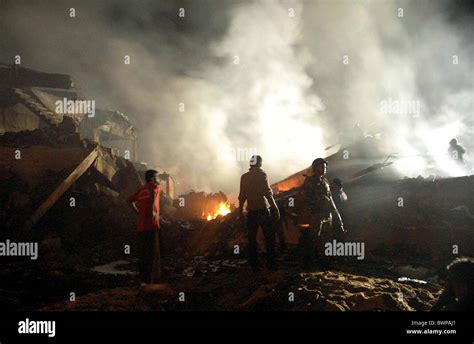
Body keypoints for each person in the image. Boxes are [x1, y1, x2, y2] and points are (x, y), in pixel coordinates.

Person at [298, 158, 344, 268]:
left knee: (326, 239)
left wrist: (336, 214)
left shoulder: (326, 182)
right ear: (315, 167)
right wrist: (315, 206)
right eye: (322, 167)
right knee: (314, 238)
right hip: (316, 214)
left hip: (327, 215)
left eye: (325, 167)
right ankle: (309, 262)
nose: (324, 169)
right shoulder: (310, 182)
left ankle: (324, 261)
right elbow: (305, 198)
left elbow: (330, 198)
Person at [238, 155, 280, 271]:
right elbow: (267, 193)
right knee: (269, 238)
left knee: (252, 239)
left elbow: (242, 196)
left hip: (251, 212)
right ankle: (271, 264)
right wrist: (275, 207)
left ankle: (255, 266)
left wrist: (240, 212)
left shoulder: (244, 177)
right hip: (263, 210)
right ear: (260, 163)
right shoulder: (262, 174)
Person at [128, 169, 162, 285]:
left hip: (141, 228)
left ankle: (143, 280)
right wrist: (152, 211)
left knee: (143, 254)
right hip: (152, 225)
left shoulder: (142, 190)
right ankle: (152, 281)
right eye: (157, 177)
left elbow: (129, 201)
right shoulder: (155, 188)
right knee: (153, 254)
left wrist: (138, 213)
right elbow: (153, 195)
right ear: (152, 179)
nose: (159, 179)